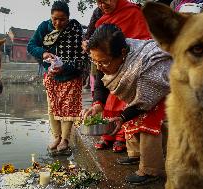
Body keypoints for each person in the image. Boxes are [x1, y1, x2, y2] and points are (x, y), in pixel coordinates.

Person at [86, 24, 172, 185]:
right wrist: (98, 103)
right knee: (129, 115)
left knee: (146, 119)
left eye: (103, 62)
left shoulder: (147, 63)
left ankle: (151, 169)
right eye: (95, 61)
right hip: (142, 96)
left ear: (123, 53)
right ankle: (135, 154)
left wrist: (123, 116)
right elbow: (100, 78)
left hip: (162, 93)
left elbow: (144, 102)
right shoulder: (104, 57)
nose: (99, 67)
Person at [82, 0, 151, 153]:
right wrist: (97, 103)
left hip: (132, 64)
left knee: (128, 97)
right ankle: (110, 133)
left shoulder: (133, 12)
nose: (102, 5)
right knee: (108, 97)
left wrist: (122, 61)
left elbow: (143, 40)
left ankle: (122, 135)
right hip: (110, 61)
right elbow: (99, 67)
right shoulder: (99, 16)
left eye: (105, 0)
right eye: (98, 1)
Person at [27, 1, 87, 152]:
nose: (58, 23)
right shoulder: (44, 27)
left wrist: (64, 67)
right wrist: (43, 53)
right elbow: (31, 46)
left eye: (62, 19)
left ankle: (65, 139)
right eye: (55, 19)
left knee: (68, 108)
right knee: (52, 107)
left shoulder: (75, 29)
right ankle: (57, 137)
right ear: (51, 16)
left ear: (68, 18)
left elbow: (82, 58)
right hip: (52, 76)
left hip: (71, 75)